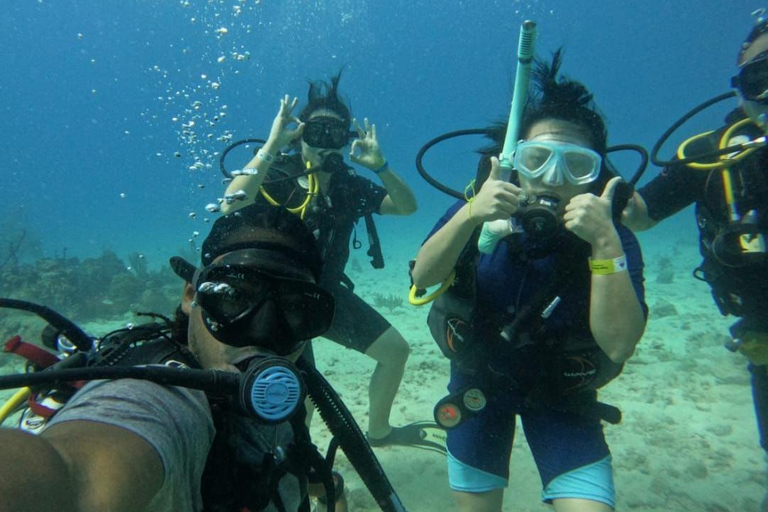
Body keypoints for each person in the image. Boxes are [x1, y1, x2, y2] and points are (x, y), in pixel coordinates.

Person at [411, 50, 647, 512]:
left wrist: (604, 246)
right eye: (537, 159)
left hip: (563, 399)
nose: (553, 179)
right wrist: (469, 215)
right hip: (478, 385)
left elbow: (619, 346)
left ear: (596, 177)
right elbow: (423, 277)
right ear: (515, 162)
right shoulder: (477, 212)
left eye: (575, 166)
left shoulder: (610, 239)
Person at [0, 203, 349, 512]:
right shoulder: (157, 398)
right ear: (191, 295)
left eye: (293, 307)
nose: (263, 332)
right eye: (233, 297)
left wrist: (330, 488)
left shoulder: (285, 393)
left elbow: (287, 459)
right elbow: (72, 476)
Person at [221, 73, 442, 452]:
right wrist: (274, 142)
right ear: (300, 135)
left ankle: (379, 431)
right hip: (277, 299)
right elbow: (232, 204)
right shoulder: (276, 176)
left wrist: (381, 166)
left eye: (336, 134)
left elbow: (407, 207)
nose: (326, 142)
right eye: (317, 132)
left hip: (325, 294)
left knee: (395, 351)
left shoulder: (348, 186)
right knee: (301, 397)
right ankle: (298, 465)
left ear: (347, 140)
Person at [621, 9, 768, 510]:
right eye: (761, 75)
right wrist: (605, 189)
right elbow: (642, 215)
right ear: (740, 88)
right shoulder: (711, 154)